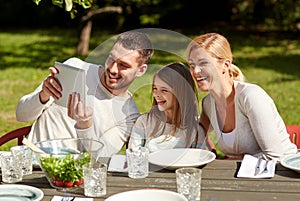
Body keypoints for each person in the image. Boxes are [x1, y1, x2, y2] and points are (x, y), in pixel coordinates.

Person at [16, 31, 154, 157]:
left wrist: (84, 125)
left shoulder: (129, 116)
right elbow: (21, 115)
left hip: (73, 178)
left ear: (141, 70)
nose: (112, 69)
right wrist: (43, 95)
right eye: (111, 59)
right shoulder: (74, 67)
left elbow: (99, 159)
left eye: (123, 65)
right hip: (33, 166)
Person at [186, 33, 297, 160]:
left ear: (225, 65)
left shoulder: (250, 97)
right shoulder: (208, 104)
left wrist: (228, 164)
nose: (195, 71)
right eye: (192, 65)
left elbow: (275, 156)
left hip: (284, 173)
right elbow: (196, 139)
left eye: (203, 63)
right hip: (244, 175)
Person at [128, 62, 206, 153]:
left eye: (164, 90)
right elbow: (132, 155)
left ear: (181, 94)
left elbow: (198, 160)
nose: (157, 95)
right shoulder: (144, 122)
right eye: (155, 89)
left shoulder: (195, 131)